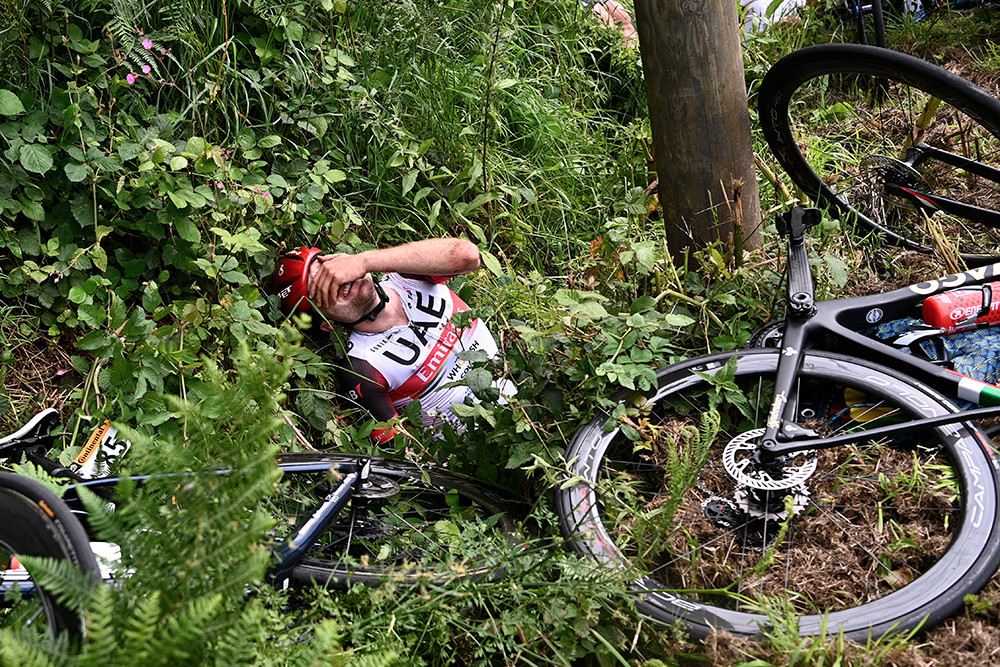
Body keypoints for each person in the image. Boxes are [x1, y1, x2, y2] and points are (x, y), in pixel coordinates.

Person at [273, 238, 515, 444]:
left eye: (333, 270)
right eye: (324, 289)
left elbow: (468, 256)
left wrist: (363, 261)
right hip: (490, 445)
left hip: (526, 390)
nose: (339, 281)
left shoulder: (406, 275)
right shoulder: (361, 366)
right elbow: (405, 453)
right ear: (326, 322)